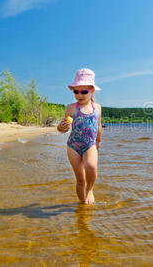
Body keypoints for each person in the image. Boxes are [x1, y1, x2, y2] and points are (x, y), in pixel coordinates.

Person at [57, 68, 102, 205]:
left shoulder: (97, 108)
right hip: (73, 146)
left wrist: (98, 142)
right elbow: (63, 128)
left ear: (92, 90)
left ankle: (90, 190)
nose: (79, 95)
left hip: (90, 144)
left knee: (91, 166)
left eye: (83, 92)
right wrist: (61, 127)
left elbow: (98, 127)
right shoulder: (71, 108)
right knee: (80, 178)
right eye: (76, 91)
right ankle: (83, 205)